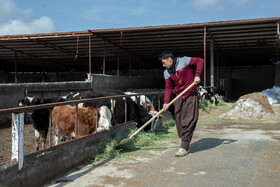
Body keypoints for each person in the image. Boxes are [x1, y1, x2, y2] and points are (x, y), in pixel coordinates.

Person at [158, 51, 204, 157]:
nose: (163, 65)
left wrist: (197, 75)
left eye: (164, 62)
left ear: (170, 59)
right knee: (179, 121)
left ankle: (184, 147)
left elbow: (200, 61)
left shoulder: (183, 61)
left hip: (190, 94)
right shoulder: (166, 72)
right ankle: (185, 141)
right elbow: (168, 88)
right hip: (179, 96)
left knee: (189, 119)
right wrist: (166, 102)